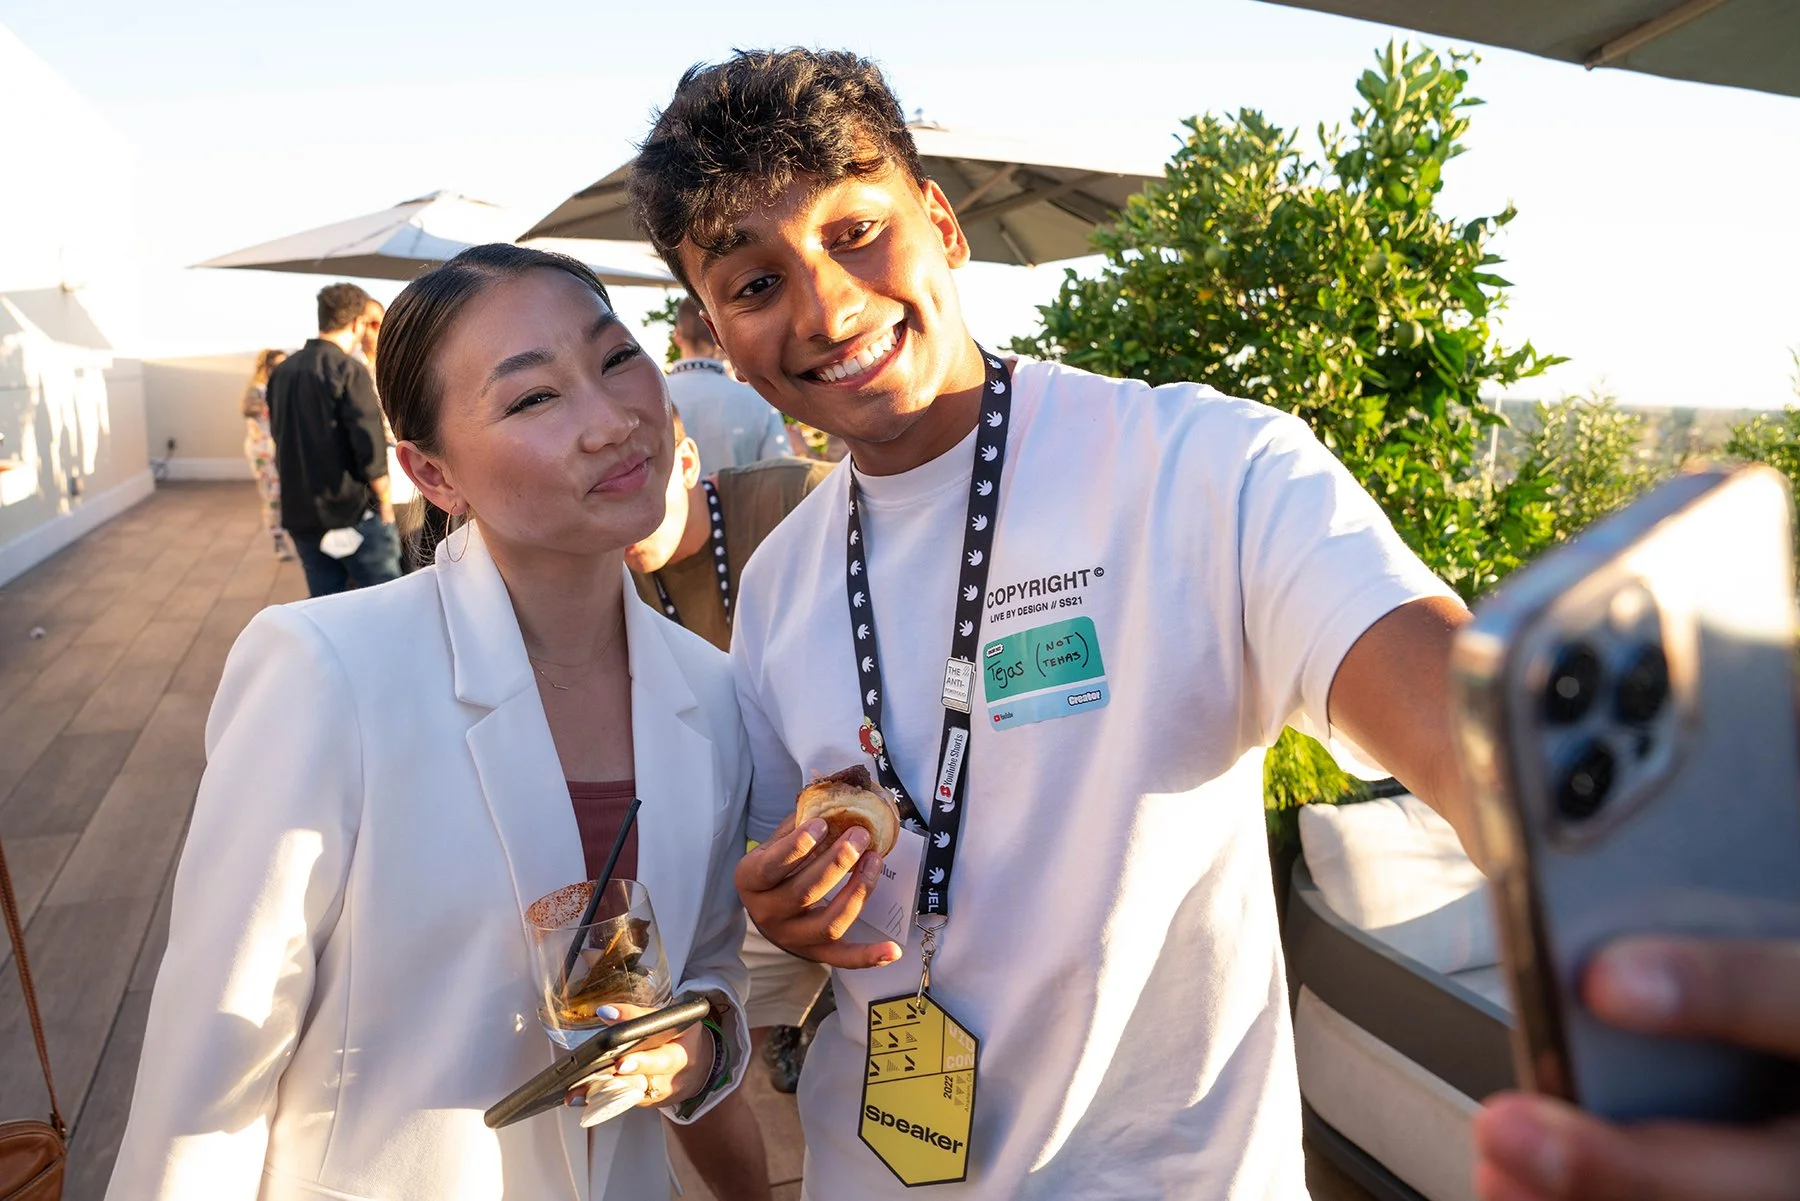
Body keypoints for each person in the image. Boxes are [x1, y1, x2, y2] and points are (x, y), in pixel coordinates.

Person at [628, 50, 1800, 1201]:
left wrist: (1685, 915)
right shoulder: (780, 579)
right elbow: (778, 913)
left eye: (852, 230)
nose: (825, 306)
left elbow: (1464, 732)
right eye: (753, 282)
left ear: (941, 220)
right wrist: (789, 909)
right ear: (713, 332)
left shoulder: (1204, 467)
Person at [108, 245, 750, 1201]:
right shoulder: (328, 669)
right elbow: (211, 1060)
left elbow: (706, 968)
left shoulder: (715, 689)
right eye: (533, 398)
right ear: (431, 472)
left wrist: (694, 1052)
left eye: (617, 358)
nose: (614, 420)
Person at [624, 410, 833, 1197]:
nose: (624, 504)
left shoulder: (793, 499)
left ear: (686, 460)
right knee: (685, 1036)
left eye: (643, 471)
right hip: (729, 839)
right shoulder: (604, 568)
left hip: (855, 816)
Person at [267, 282, 402, 596]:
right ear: (356, 324)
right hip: (353, 512)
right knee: (386, 602)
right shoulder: (349, 370)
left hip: (302, 513)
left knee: (325, 607)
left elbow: (279, 434)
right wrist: (385, 504)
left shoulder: (282, 372)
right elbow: (369, 446)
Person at [666, 294, 795, 471]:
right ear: (718, 336)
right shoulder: (758, 401)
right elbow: (780, 472)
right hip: (747, 498)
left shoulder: (655, 400)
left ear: (677, 336)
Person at [240, 348, 291, 560]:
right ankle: (277, 539)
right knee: (273, 496)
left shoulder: (279, 388)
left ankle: (284, 535)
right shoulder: (257, 390)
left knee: (283, 494)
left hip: (280, 449)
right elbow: (248, 410)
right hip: (263, 453)